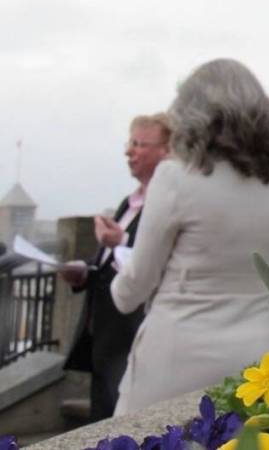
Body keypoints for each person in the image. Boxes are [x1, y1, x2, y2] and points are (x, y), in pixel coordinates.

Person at [109, 59, 269, 415]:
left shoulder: (175, 177)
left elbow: (135, 286)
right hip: (252, 361)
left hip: (173, 356)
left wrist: (118, 287)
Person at [62, 114, 170, 421]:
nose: (129, 151)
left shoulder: (166, 204)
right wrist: (83, 270)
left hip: (130, 334)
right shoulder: (129, 201)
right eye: (129, 143)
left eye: (139, 144)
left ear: (167, 151)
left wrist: (120, 238)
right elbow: (109, 259)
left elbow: (158, 260)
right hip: (103, 336)